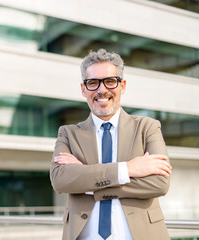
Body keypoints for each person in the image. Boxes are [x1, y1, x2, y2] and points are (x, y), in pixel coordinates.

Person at [50, 49, 172, 240]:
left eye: (110, 81)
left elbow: (160, 183)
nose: (101, 90)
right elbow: (60, 180)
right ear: (84, 89)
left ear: (122, 86)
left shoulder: (148, 127)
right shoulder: (68, 133)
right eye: (93, 83)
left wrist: (88, 180)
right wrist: (128, 169)